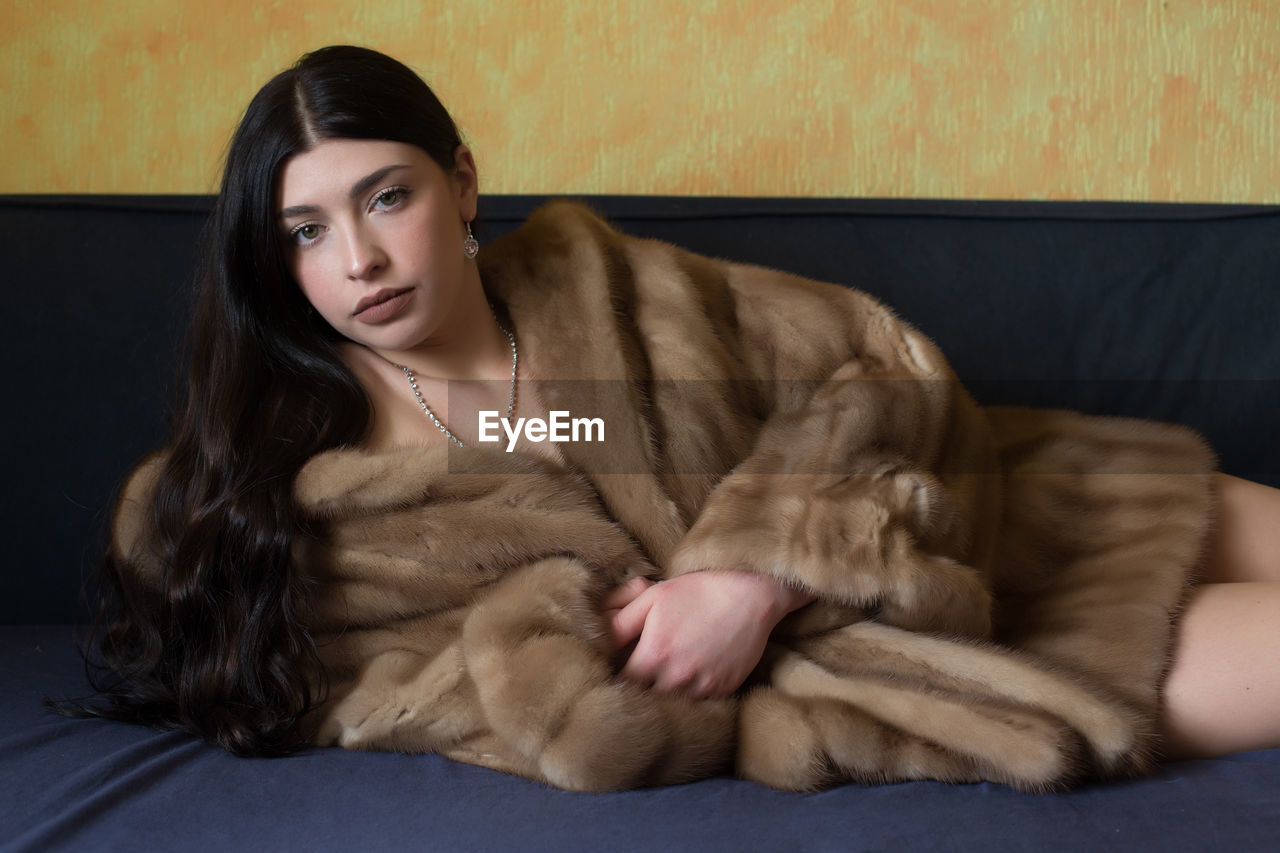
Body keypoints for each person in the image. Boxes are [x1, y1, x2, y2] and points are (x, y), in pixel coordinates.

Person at [78, 45, 1279, 783]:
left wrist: (754, 574)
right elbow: (452, 697)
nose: (359, 258)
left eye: (385, 197)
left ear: (460, 184)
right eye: (305, 230)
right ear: (271, 257)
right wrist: (623, 636)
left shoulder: (611, 289)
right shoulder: (289, 488)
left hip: (993, 496)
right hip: (928, 653)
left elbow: (882, 367)